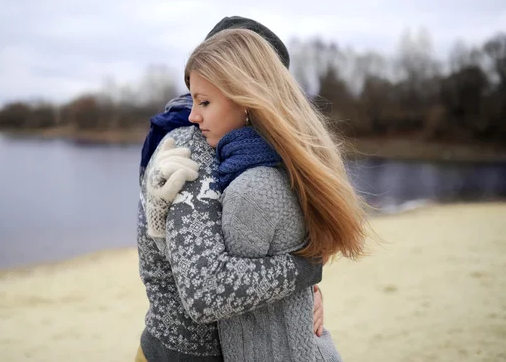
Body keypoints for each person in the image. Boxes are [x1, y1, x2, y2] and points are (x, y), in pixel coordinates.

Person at [145, 28, 371, 360]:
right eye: (195, 99)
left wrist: (306, 281)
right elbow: (205, 281)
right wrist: (305, 276)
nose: (195, 116)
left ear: (248, 98)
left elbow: (212, 283)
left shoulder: (257, 174)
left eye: (205, 102)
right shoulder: (206, 152)